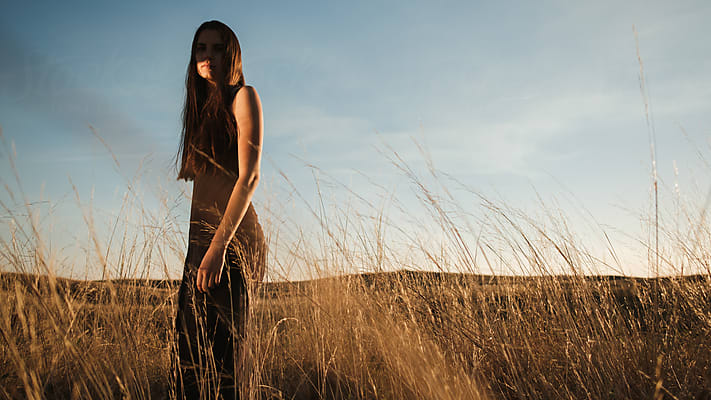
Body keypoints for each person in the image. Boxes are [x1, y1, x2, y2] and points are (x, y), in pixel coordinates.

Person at [172, 20, 266, 400]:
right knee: (189, 357)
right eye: (201, 49)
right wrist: (200, 248)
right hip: (201, 243)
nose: (208, 55)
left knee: (226, 365)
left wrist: (217, 248)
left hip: (232, 241)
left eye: (217, 48)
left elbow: (250, 178)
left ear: (232, 55)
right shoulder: (198, 111)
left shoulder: (243, 97)